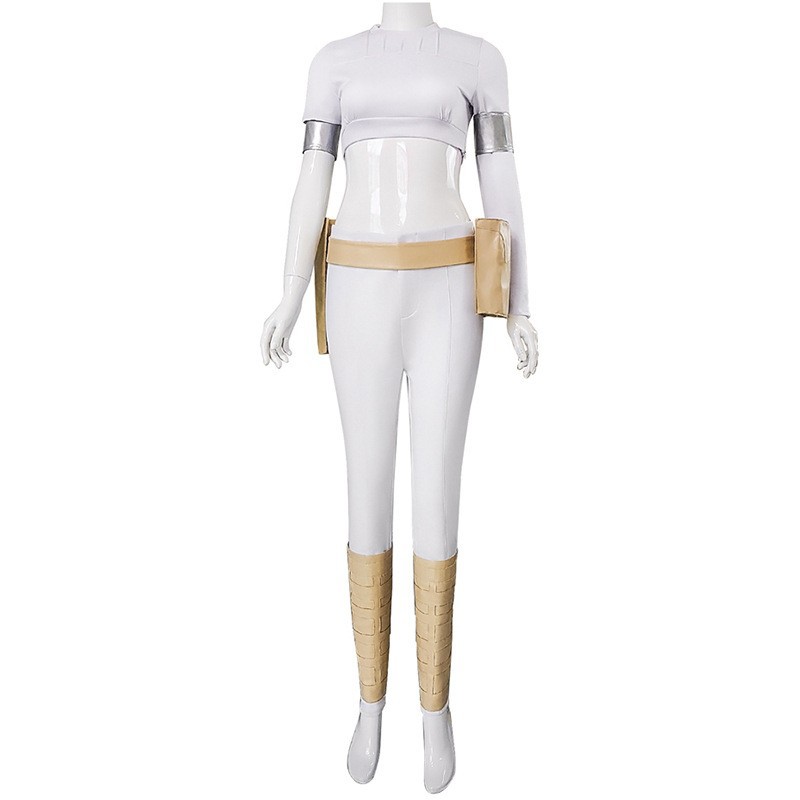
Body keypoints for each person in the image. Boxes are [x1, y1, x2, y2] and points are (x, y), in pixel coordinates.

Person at [260, 4, 538, 793]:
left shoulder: (479, 58)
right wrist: (290, 291)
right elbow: (311, 179)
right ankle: (369, 700)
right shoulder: (333, 60)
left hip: (450, 285)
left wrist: (518, 305)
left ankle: (435, 709)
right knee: (366, 488)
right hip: (356, 285)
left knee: (437, 494)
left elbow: (502, 182)